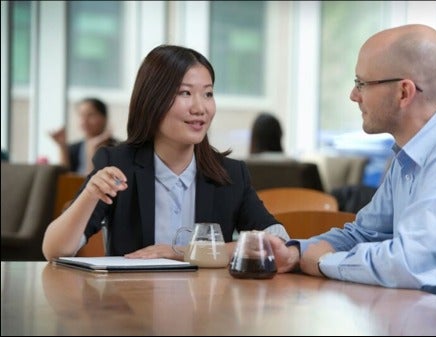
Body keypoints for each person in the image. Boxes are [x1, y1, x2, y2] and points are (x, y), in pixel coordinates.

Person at [267, 24, 436, 322]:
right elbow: (365, 232)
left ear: (403, 92)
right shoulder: (411, 152)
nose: (354, 95)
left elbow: (410, 263)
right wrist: (296, 252)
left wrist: (325, 261)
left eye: (362, 83)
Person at [42, 45, 289, 262]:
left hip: (209, 308)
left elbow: (279, 242)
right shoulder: (118, 165)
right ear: (153, 100)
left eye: (208, 94)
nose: (200, 108)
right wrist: (90, 194)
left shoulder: (230, 174)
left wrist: (185, 253)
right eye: (185, 93)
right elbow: (54, 250)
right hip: (132, 308)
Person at [50, 97, 119, 175]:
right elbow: (65, 180)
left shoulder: (118, 148)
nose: (84, 120)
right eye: (81, 115)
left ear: (104, 118)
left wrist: (93, 150)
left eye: (91, 115)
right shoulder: (74, 148)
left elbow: (93, 181)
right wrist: (62, 147)